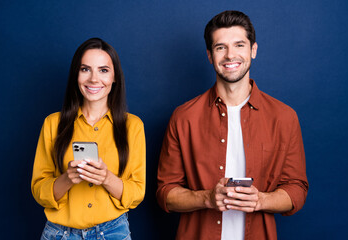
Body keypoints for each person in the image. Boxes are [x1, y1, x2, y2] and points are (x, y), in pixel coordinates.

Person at [156, 10, 308, 240]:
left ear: (253, 50)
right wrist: (207, 198)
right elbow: (165, 193)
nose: (230, 55)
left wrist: (261, 200)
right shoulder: (183, 117)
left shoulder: (284, 117)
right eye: (220, 47)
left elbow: (296, 188)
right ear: (210, 55)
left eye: (239, 45)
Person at [31, 38, 146, 240]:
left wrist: (106, 178)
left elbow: (137, 192)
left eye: (103, 70)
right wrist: (67, 179)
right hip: (60, 234)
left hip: (113, 233)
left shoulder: (133, 126)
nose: (94, 79)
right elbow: (39, 189)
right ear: (76, 75)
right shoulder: (52, 124)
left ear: (114, 77)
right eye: (85, 69)